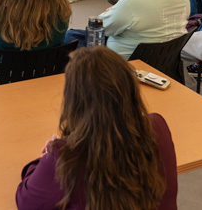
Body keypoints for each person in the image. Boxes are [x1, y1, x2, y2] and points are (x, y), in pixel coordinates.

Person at [15, 46, 177, 210]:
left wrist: (50, 154)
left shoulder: (66, 158)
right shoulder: (157, 126)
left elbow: (26, 201)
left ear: (74, 103)